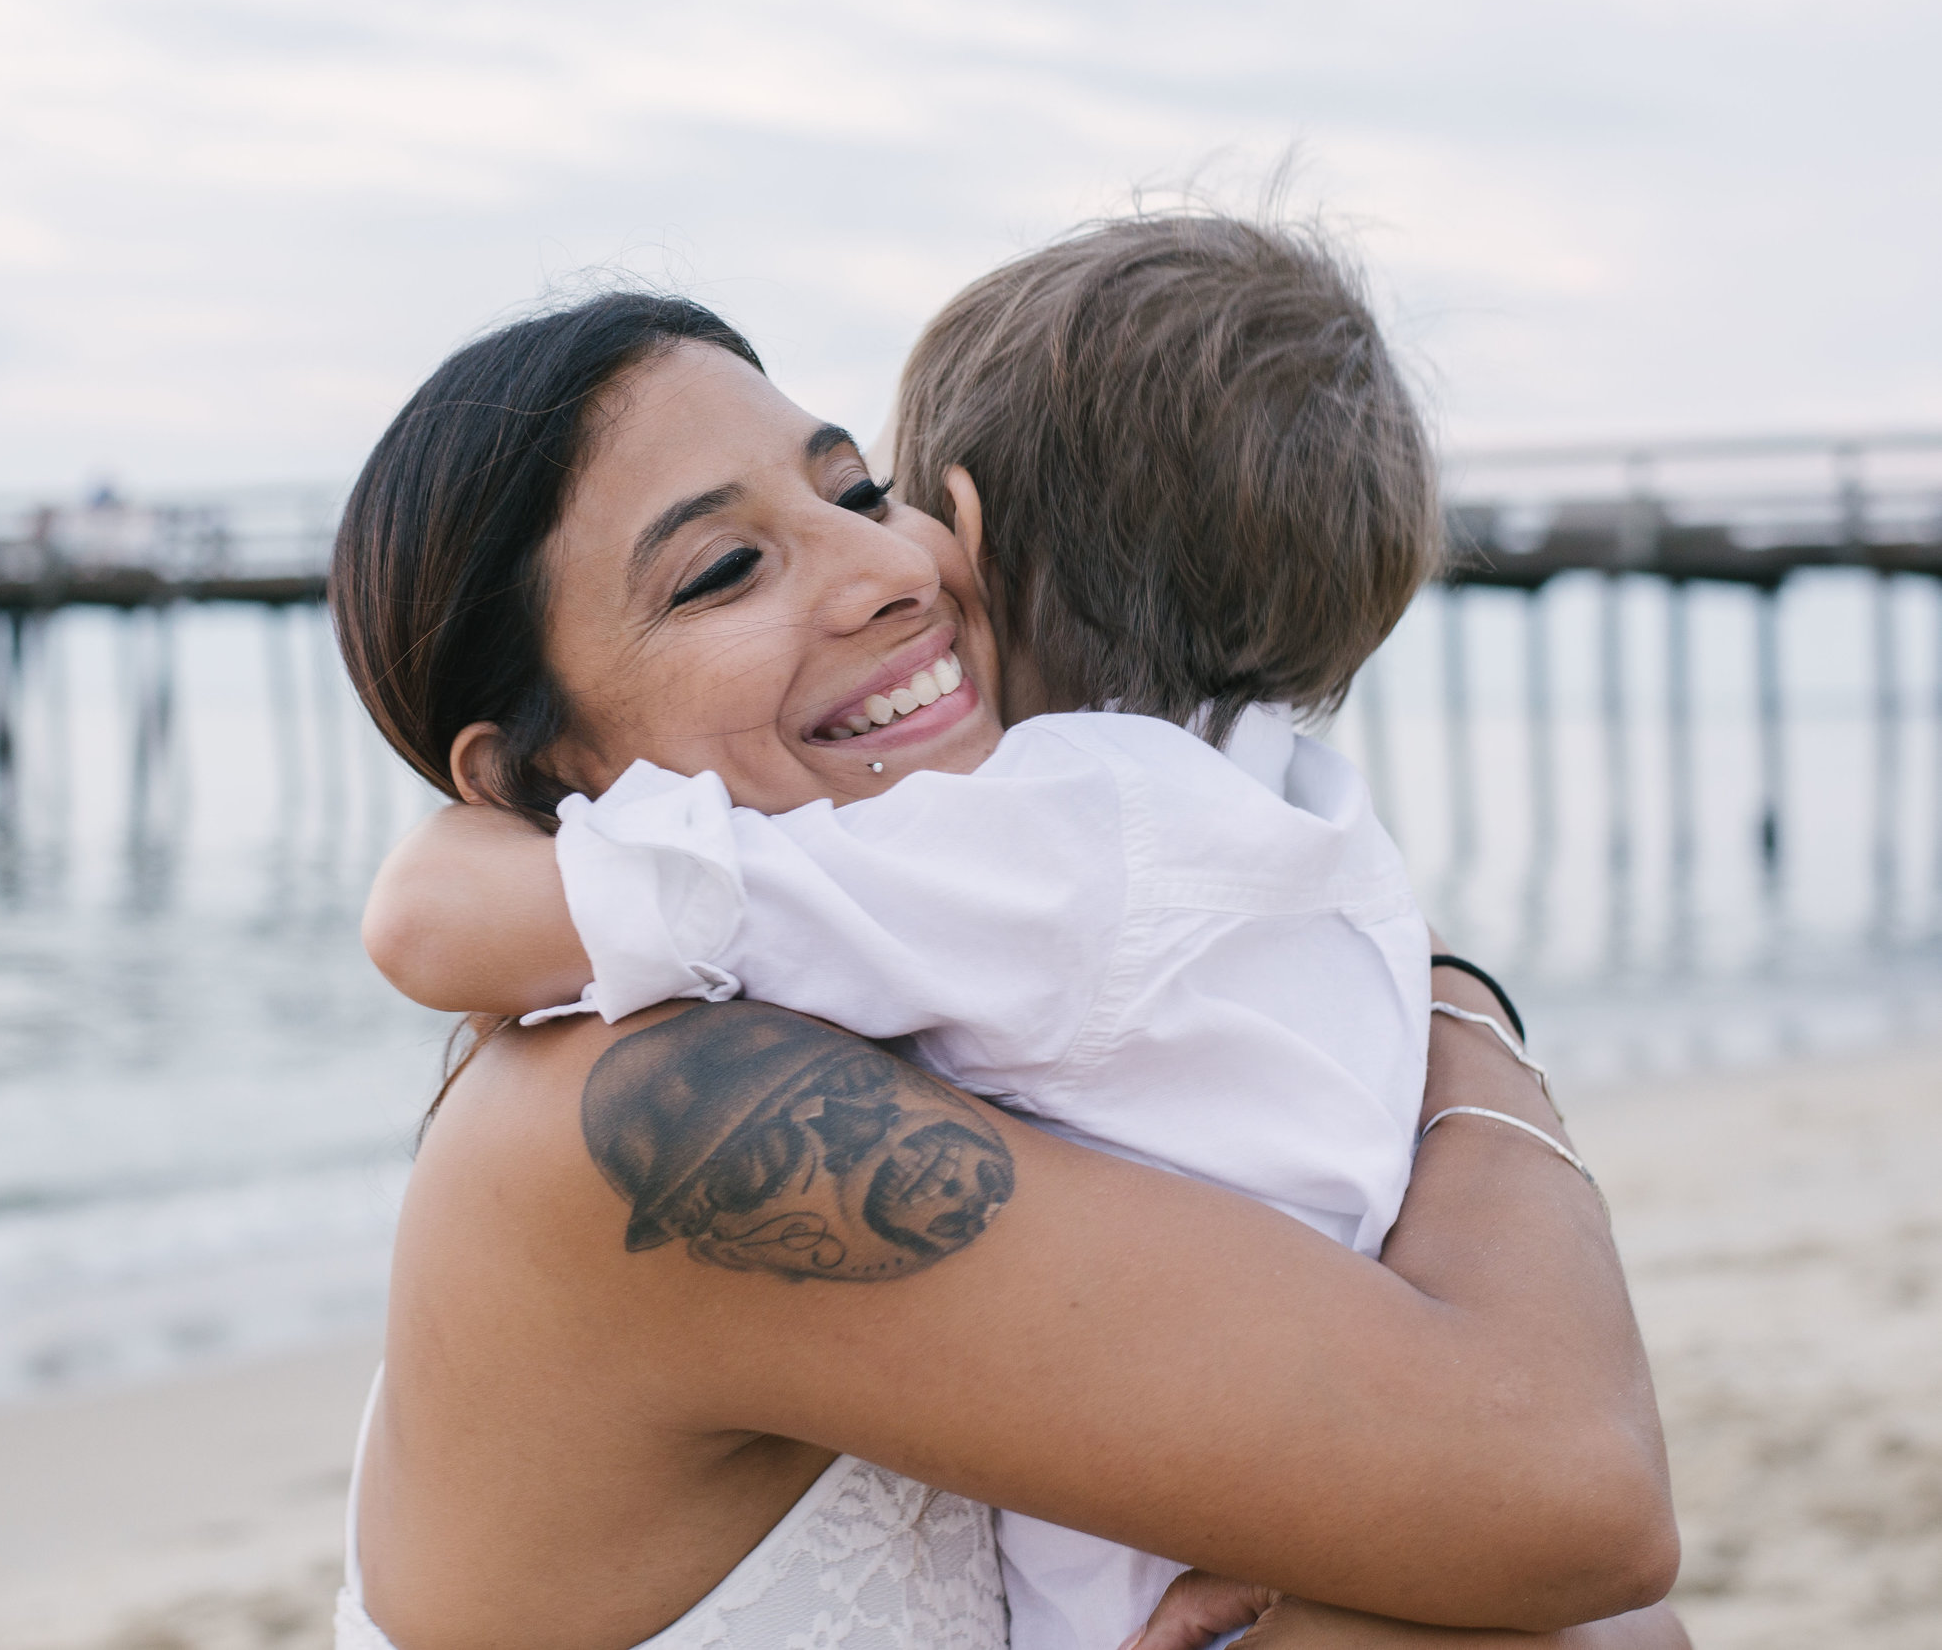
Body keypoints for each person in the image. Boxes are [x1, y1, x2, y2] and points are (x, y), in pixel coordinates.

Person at [331, 289, 1683, 1650]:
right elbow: (1587, 1493)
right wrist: (1448, 991)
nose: (892, 571)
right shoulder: (659, 1105)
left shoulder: (917, 989)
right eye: (725, 570)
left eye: (861, 491)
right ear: (538, 772)